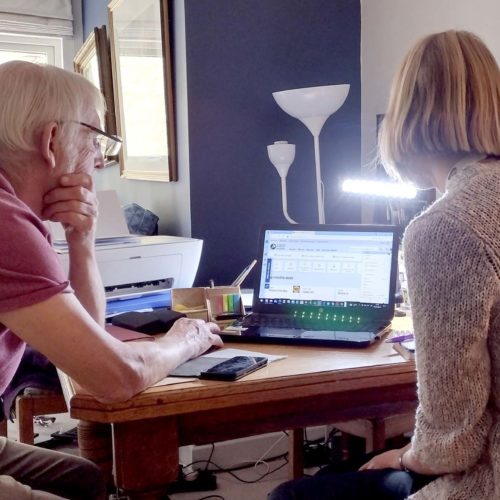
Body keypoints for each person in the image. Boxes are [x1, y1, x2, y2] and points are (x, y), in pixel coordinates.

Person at [269, 29, 500, 500]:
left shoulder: (447, 227)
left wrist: (404, 455)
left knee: (291, 497)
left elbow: (453, 436)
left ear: (405, 118)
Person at [0, 61, 223, 499]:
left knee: (86, 479)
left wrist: (82, 240)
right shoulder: (6, 225)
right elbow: (116, 378)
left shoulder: (19, 217)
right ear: (50, 141)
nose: (101, 158)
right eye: (93, 138)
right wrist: (187, 340)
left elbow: (85, 343)